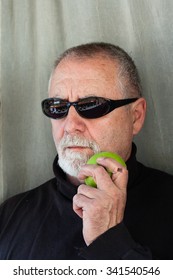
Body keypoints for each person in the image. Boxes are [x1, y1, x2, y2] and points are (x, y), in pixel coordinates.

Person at [0, 42, 173, 260]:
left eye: (92, 105)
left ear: (135, 116)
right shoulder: (11, 215)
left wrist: (110, 242)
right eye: (58, 107)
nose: (71, 125)